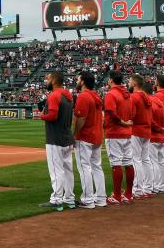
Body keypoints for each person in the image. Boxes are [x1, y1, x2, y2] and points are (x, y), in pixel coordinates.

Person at [38, 72, 74, 211]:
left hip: (55, 139)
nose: (46, 81)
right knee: (68, 170)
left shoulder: (54, 95)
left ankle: (57, 199)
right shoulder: (68, 96)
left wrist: (42, 116)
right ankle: (69, 199)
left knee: (56, 170)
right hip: (67, 137)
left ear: (53, 80)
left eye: (48, 78)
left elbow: (52, 115)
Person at [72, 70, 105, 208]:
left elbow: (81, 118)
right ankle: (101, 198)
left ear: (83, 81)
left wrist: (74, 135)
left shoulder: (84, 96)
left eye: (79, 79)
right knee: (96, 167)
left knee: (84, 167)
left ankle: (88, 199)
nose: (77, 81)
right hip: (97, 135)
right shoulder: (96, 95)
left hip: (85, 136)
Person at [103, 71, 135, 204]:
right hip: (127, 132)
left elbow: (111, 112)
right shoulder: (128, 94)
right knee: (128, 163)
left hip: (115, 132)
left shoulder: (111, 94)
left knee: (116, 163)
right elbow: (133, 112)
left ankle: (116, 196)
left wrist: (121, 122)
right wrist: (126, 123)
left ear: (111, 80)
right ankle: (128, 194)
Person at [128, 74, 153, 199]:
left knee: (136, 159)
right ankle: (147, 187)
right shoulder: (146, 97)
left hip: (137, 130)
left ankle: (137, 189)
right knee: (145, 159)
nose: (129, 83)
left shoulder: (134, 97)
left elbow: (130, 115)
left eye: (130, 81)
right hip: (146, 130)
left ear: (134, 84)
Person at [148, 83, 164, 193]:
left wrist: (159, 128)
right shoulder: (159, 101)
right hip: (161, 136)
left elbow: (150, 120)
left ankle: (156, 185)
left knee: (153, 162)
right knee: (162, 161)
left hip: (154, 135)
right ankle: (162, 184)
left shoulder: (150, 101)